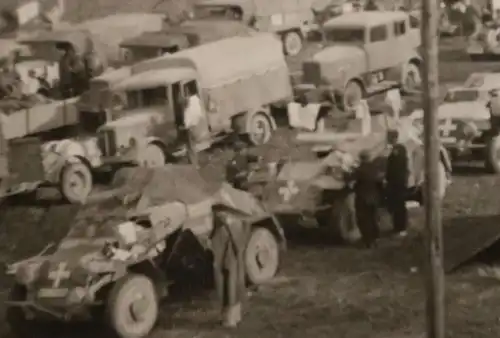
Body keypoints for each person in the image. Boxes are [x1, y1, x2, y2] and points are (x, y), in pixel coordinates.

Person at [211, 208, 248, 328]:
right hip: (230, 224)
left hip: (227, 228)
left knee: (229, 274)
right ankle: (232, 314)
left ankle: (230, 315)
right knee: (232, 273)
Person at [353, 150, 383, 248]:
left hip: (362, 198)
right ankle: (376, 238)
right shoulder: (375, 168)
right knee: (373, 218)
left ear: (360, 158)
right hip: (374, 197)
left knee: (364, 220)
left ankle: (368, 240)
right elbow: (380, 182)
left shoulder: (359, 170)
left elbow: (349, 179)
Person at [385, 129, 410, 237]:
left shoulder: (399, 149)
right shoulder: (397, 149)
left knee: (399, 205)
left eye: (389, 137)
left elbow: (396, 166)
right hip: (395, 181)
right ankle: (397, 227)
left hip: (398, 181)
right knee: (396, 205)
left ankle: (401, 227)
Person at [182, 85, 204, 166]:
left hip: (191, 126)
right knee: (191, 146)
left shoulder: (189, 102)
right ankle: (193, 163)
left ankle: (194, 165)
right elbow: (199, 114)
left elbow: (189, 116)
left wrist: (188, 125)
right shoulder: (195, 100)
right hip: (194, 125)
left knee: (191, 147)